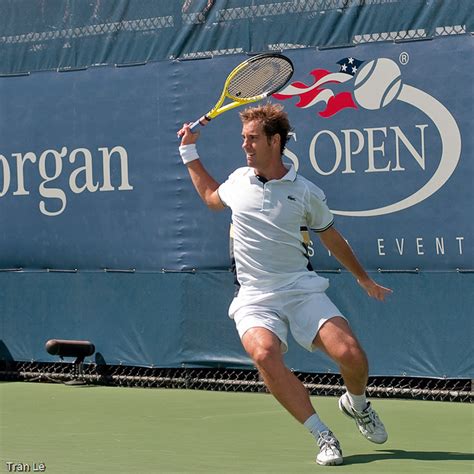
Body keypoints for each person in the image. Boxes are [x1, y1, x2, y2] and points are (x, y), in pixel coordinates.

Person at [177, 103, 392, 466]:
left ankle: (356, 404)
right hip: (254, 296)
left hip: (300, 288)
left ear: (275, 141)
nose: (245, 146)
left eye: (253, 139)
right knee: (263, 353)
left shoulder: (306, 191)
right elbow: (212, 198)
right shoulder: (237, 181)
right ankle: (322, 434)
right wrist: (188, 151)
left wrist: (363, 278)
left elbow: (332, 238)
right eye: (243, 139)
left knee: (351, 355)